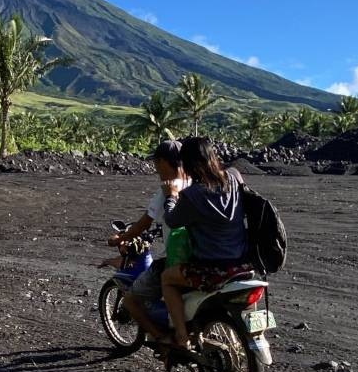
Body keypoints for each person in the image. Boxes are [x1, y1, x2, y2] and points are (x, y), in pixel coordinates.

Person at [160, 137, 254, 348]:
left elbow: (172, 220)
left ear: (188, 164)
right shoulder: (234, 177)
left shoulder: (192, 195)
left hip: (212, 269)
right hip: (243, 263)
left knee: (167, 278)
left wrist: (171, 196)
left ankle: (182, 336)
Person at [108, 140, 191, 343]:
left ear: (163, 162)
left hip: (175, 259)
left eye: (156, 162)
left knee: (131, 301)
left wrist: (120, 238)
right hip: (201, 253)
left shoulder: (167, 189)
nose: (155, 168)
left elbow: (144, 223)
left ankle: (161, 339)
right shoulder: (194, 183)